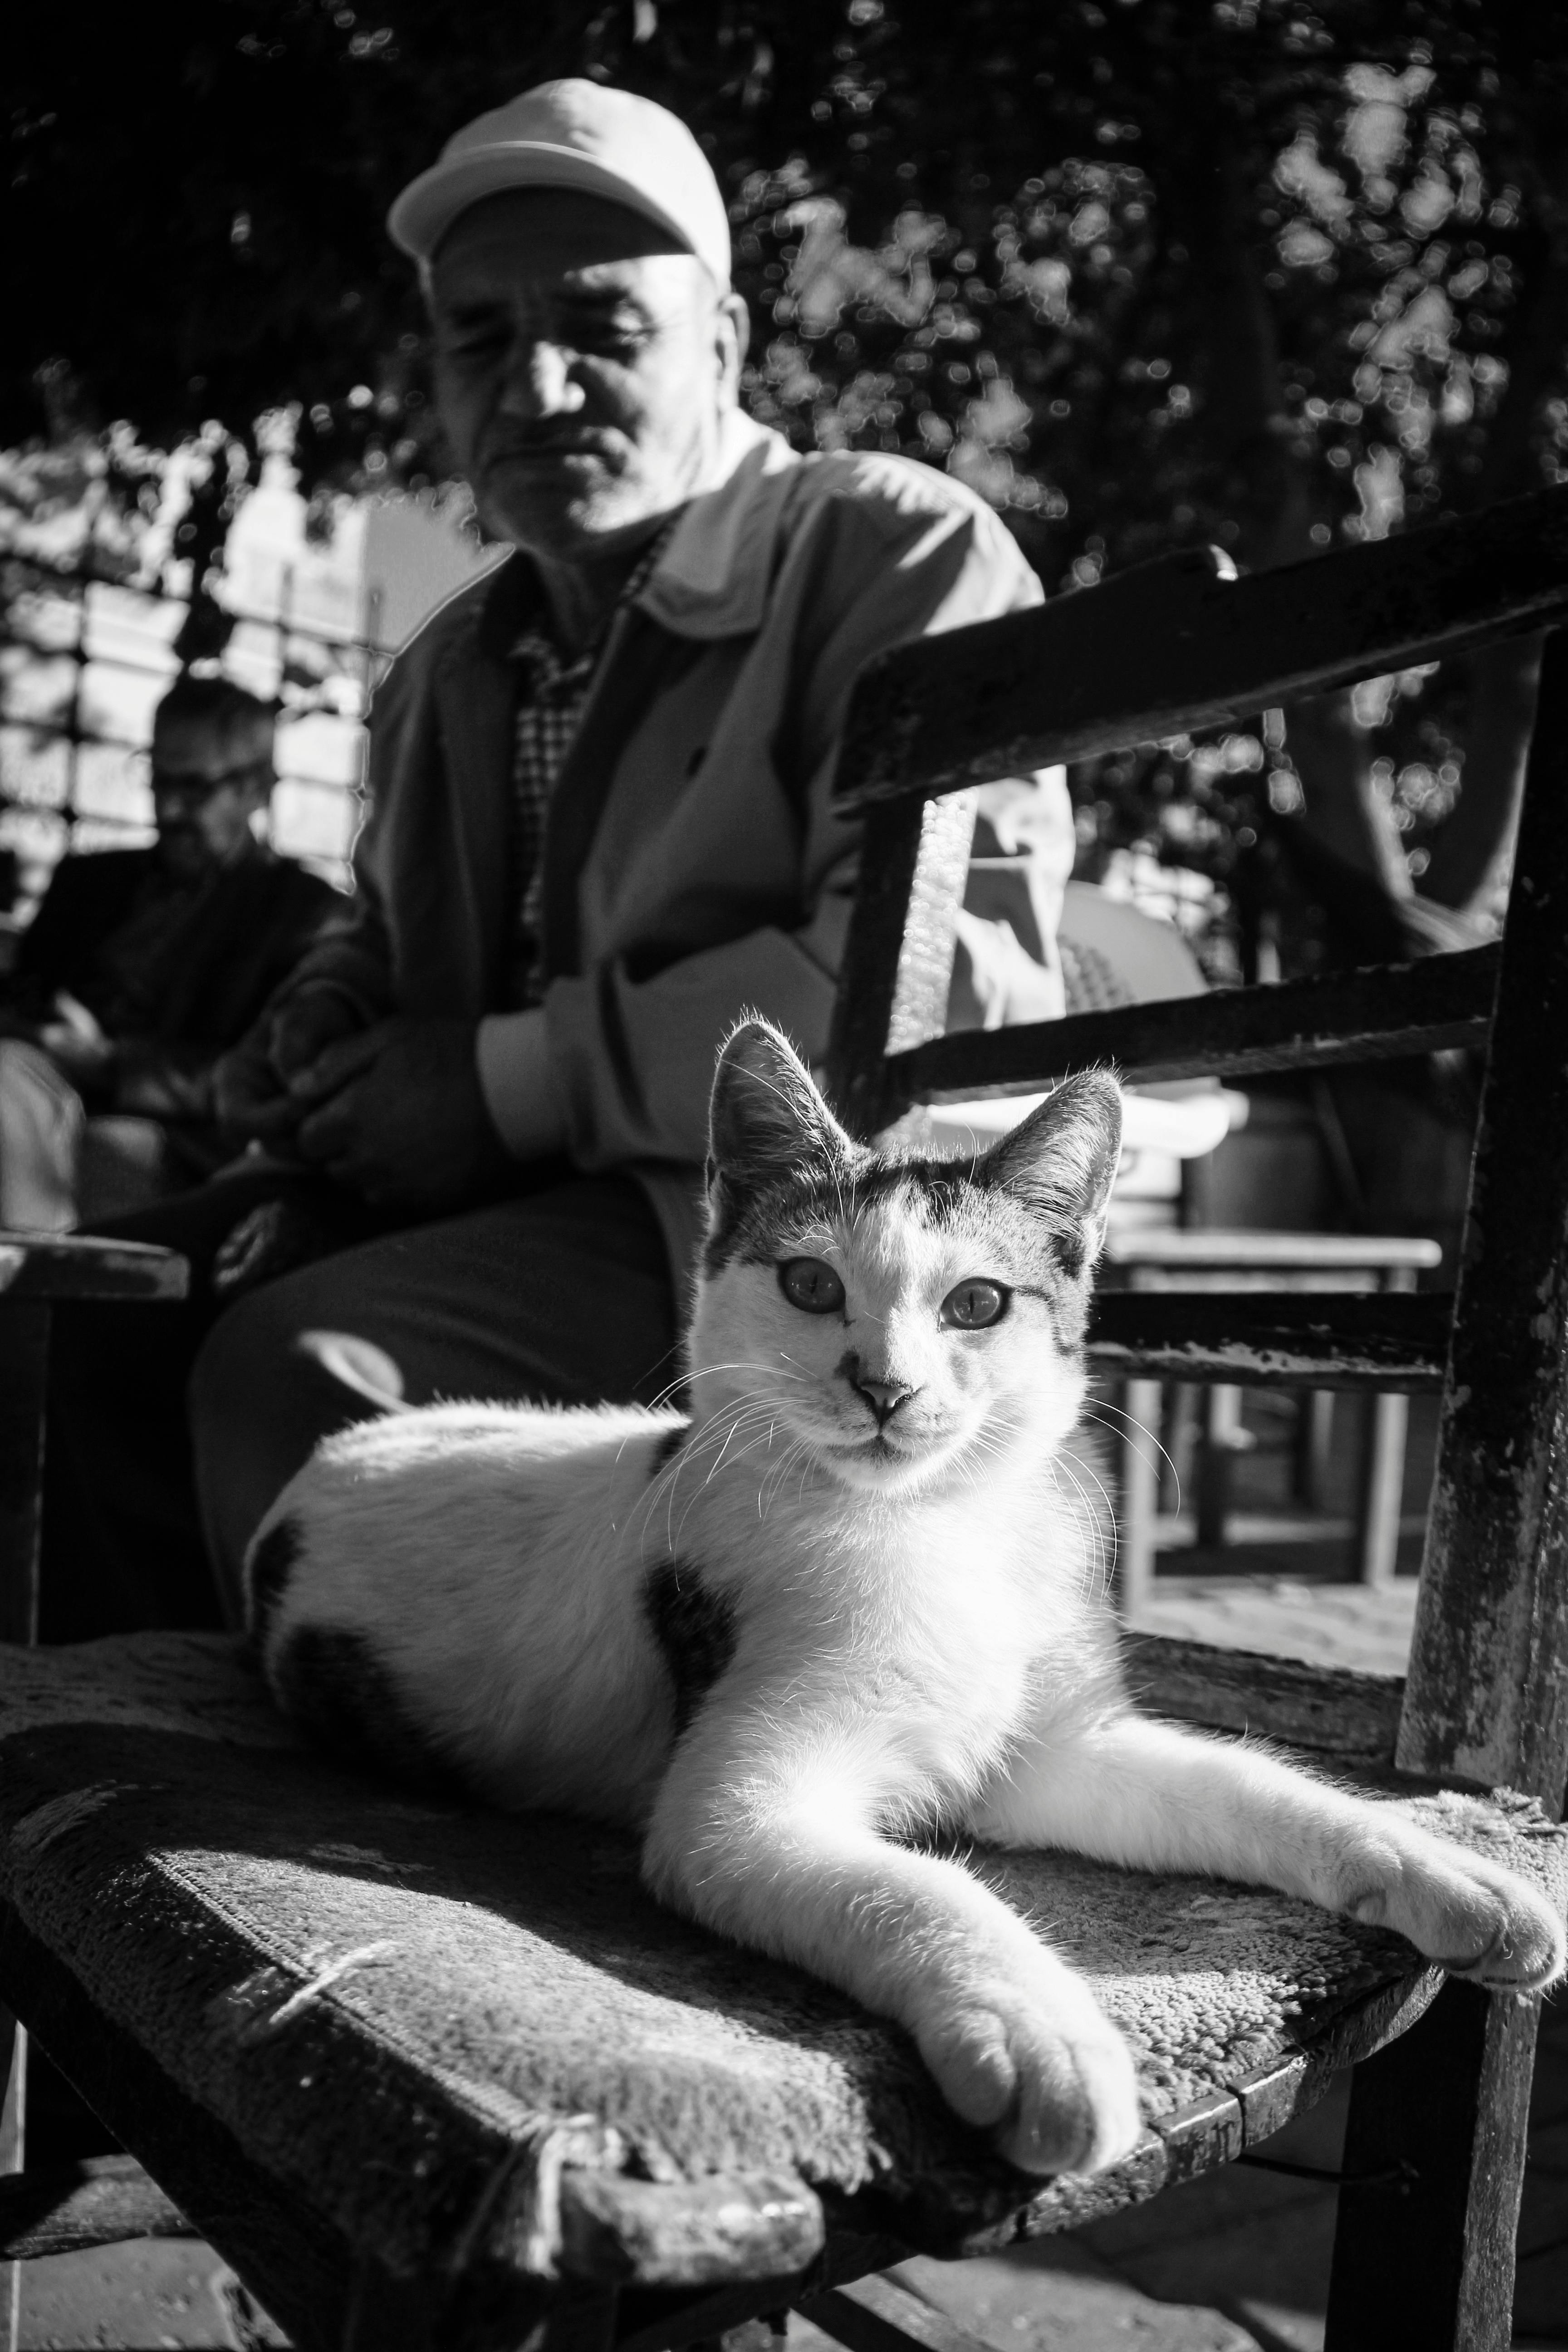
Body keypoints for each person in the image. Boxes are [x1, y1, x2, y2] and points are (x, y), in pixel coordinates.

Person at [40, 78, 1076, 1641]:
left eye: (601, 326)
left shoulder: (891, 552)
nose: (533, 382)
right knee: (53, 1321)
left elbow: (907, 1005)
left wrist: (491, 1084)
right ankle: (101, 1794)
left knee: (307, 1373)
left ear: (722, 345)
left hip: (753, 1242)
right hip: (482, 1208)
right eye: (478, 338)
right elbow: (383, 938)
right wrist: (318, 1027)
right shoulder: (453, 656)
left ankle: (355, 1849)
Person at [0, 676, 335, 1229]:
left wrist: (111, 1062)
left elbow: (271, 1075)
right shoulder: (88, 881)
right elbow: (27, 990)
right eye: (158, 780)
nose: (171, 808)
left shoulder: (302, 915)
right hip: (38, 1079)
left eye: (195, 787)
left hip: (170, 1131)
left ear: (257, 787)